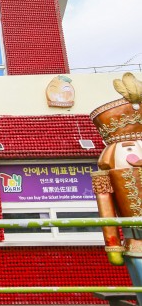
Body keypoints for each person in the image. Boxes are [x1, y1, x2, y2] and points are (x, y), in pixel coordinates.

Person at [91, 72, 142, 306]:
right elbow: (106, 208)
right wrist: (112, 244)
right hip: (136, 243)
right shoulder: (107, 171)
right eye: (131, 147)